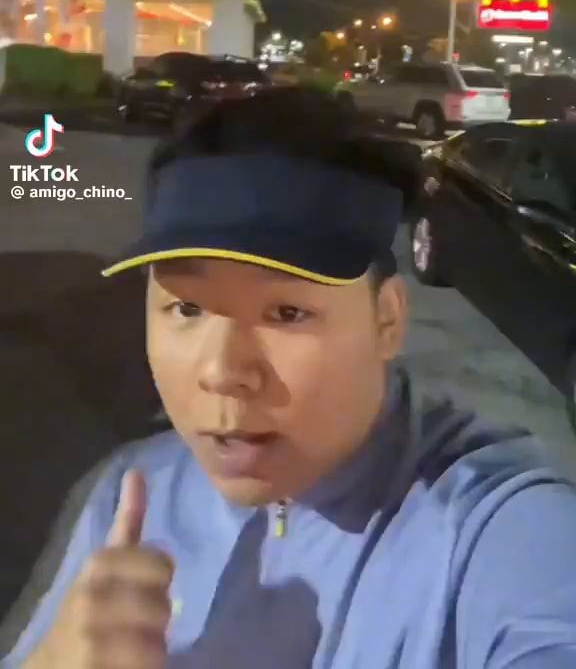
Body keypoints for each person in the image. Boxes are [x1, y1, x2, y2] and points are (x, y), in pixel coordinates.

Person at [4, 87, 576, 668]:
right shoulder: (133, 497)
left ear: (387, 321)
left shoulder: (493, 529)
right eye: (187, 309)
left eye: (286, 313)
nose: (223, 372)